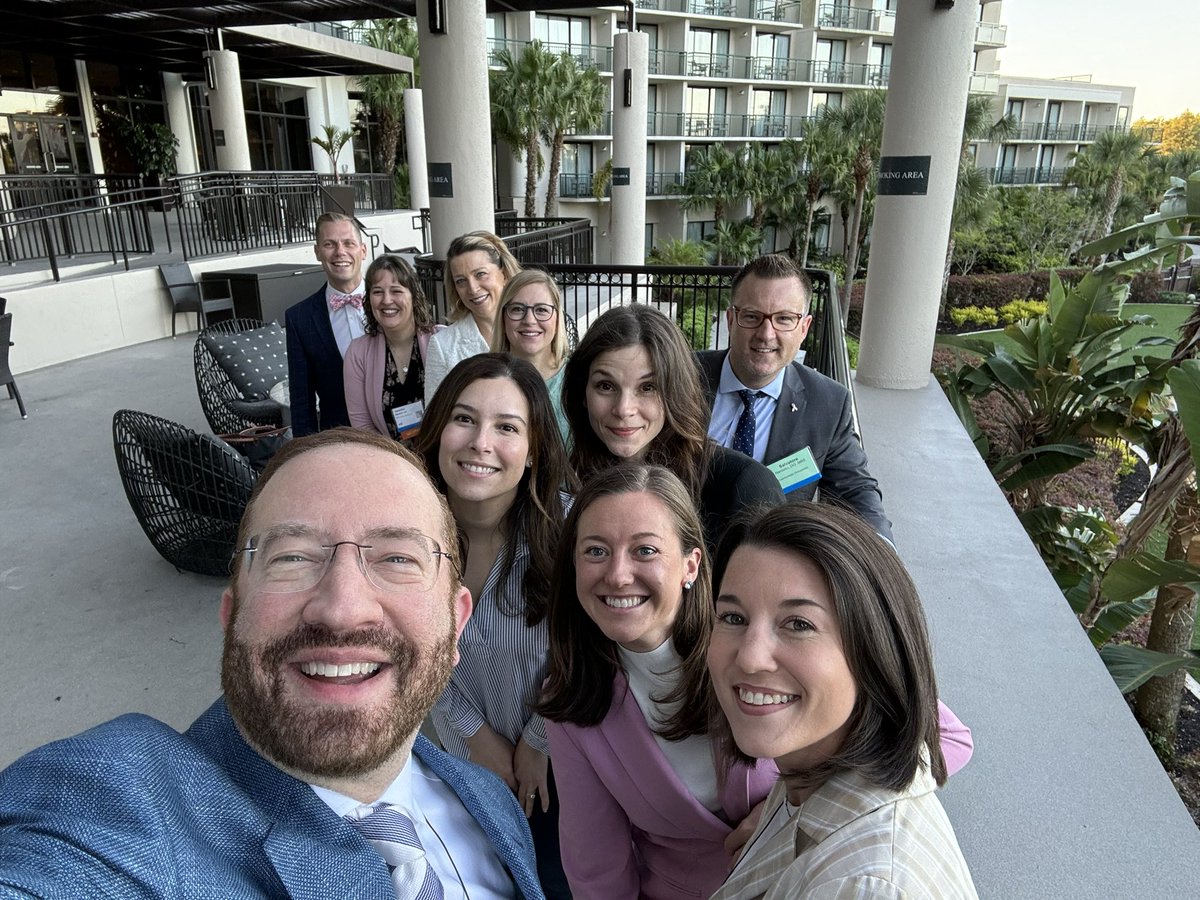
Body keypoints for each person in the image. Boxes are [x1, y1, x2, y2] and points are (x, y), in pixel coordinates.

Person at [0, 429, 544, 899]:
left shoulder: (490, 801)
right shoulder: (120, 800)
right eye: (293, 557)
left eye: (397, 558)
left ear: (456, 623)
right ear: (232, 614)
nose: (342, 608)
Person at [707, 503, 976, 899]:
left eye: (799, 624)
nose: (749, 657)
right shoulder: (808, 770)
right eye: (733, 617)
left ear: (875, 651)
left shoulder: (865, 887)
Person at [538, 463, 779, 900]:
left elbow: (937, 737)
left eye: (644, 551)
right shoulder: (571, 698)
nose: (617, 574)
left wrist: (791, 810)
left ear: (690, 565)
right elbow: (597, 870)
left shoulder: (758, 643)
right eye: (595, 551)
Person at [416, 353, 574, 899]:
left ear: (532, 452)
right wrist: (477, 740)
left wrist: (537, 740)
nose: (481, 442)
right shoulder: (405, 540)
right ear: (438, 430)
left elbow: (594, 649)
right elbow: (409, 657)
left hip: (566, 768)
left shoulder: (571, 533)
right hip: (466, 766)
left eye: (507, 427)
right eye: (464, 419)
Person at [696, 253, 893, 541]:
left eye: (784, 319)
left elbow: (855, 491)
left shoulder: (827, 402)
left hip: (770, 567)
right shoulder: (683, 377)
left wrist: (882, 552)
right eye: (752, 316)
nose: (766, 334)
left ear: (804, 328)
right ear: (731, 319)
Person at [563, 303, 783, 556]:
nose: (624, 409)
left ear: (675, 393)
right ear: (582, 394)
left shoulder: (742, 486)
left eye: (648, 388)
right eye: (605, 386)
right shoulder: (563, 483)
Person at [344, 254, 444, 441]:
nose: (387, 300)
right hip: (391, 462)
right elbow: (363, 426)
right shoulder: (358, 353)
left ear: (414, 296)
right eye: (377, 292)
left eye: (396, 291)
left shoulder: (442, 340)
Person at [285, 212, 368, 436]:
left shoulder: (392, 302)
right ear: (317, 252)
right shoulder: (299, 318)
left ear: (363, 250)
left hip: (401, 441)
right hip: (339, 440)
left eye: (349, 243)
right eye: (329, 244)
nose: (340, 252)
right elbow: (302, 402)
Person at [425, 231, 521, 404]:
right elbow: (433, 416)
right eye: (461, 281)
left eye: (480, 274)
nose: (472, 288)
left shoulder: (531, 328)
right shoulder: (443, 345)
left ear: (504, 274)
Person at [490, 269, 572, 446]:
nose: (529, 320)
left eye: (541, 310)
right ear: (503, 319)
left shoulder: (577, 378)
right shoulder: (484, 380)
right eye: (518, 309)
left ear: (557, 320)